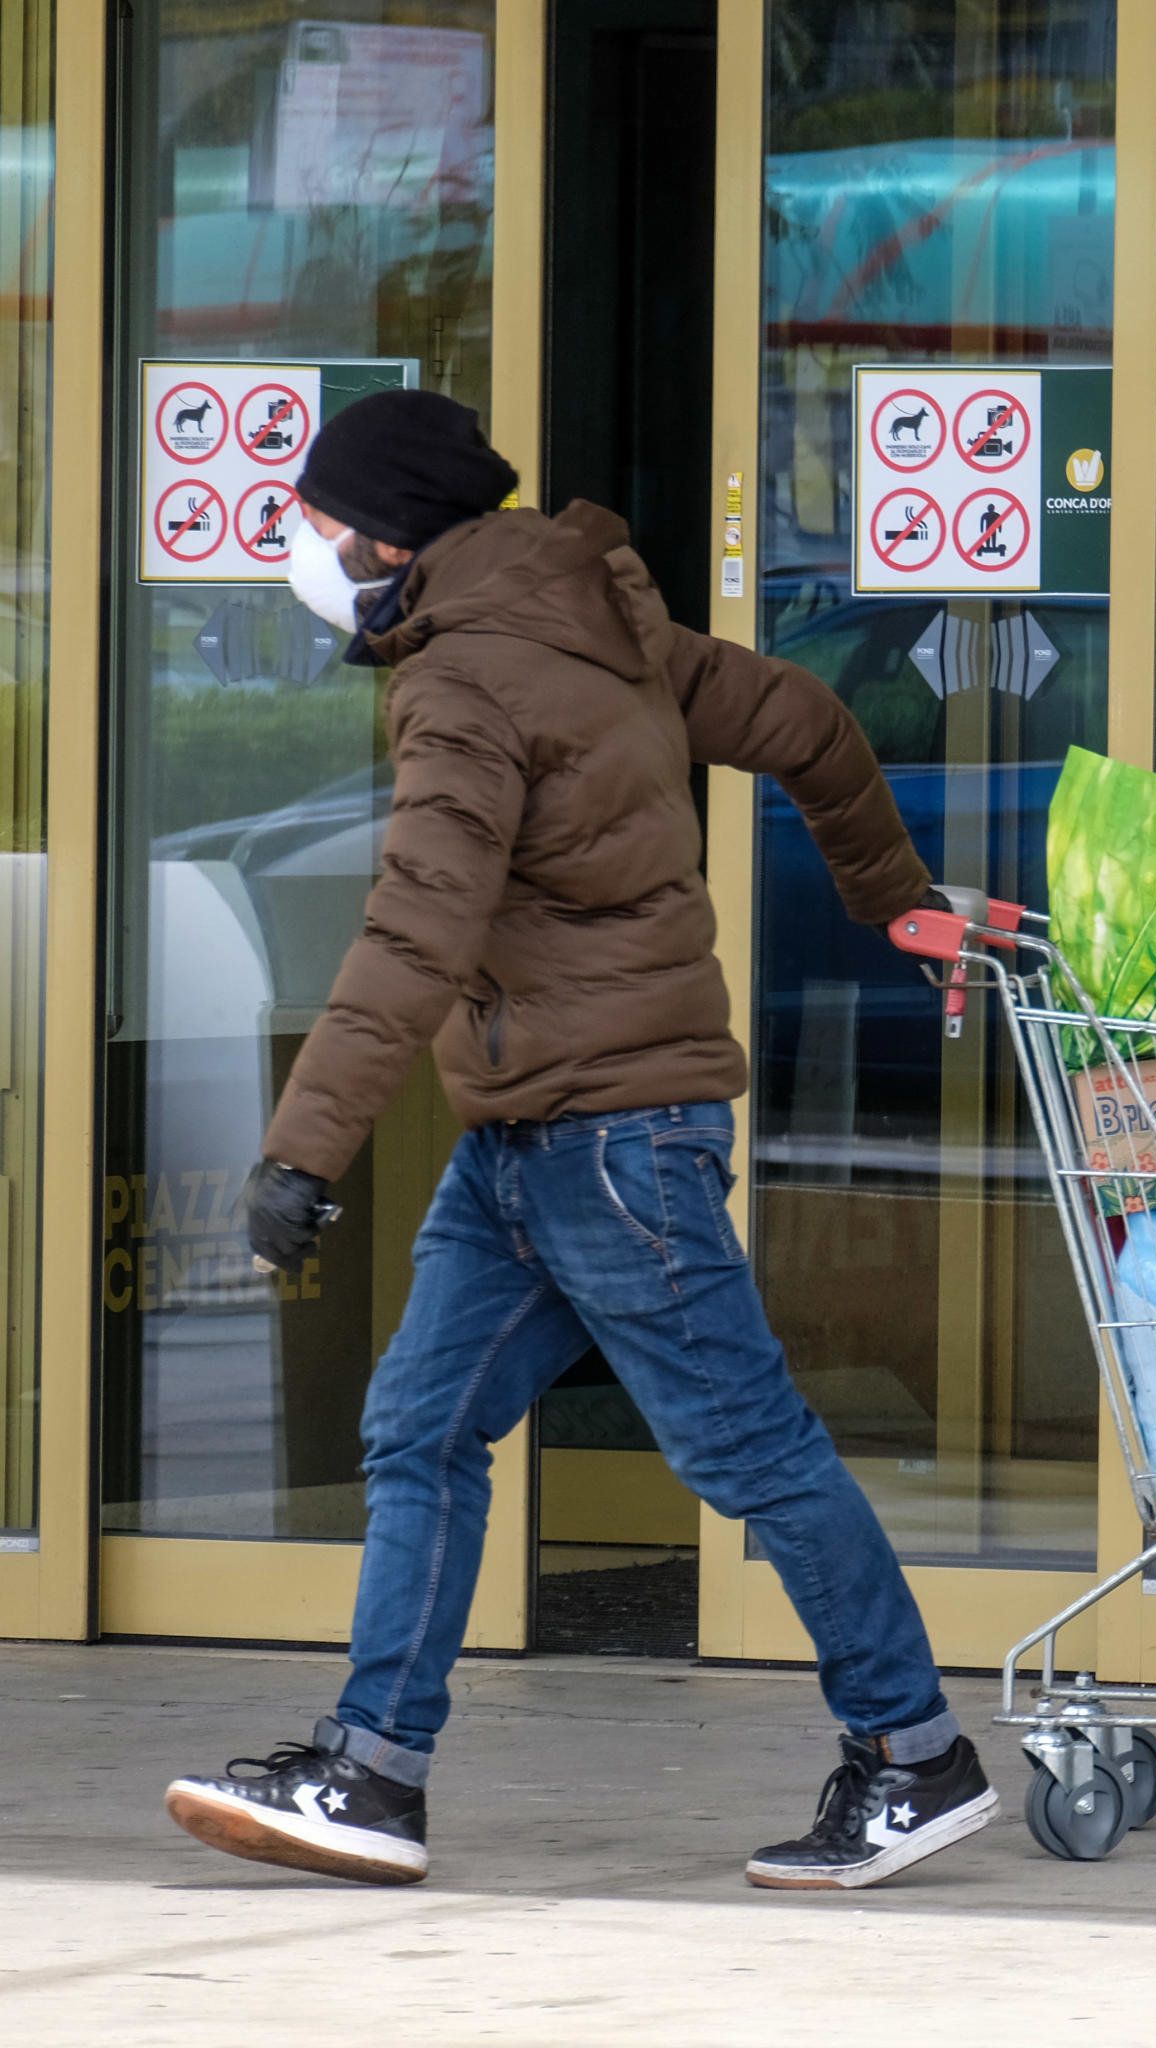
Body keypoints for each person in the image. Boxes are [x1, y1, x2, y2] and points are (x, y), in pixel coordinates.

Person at [162, 390, 993, 1892]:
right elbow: (810, 723)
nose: (298, 546)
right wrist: (888, 898)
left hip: (610, 1137)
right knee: (421, 1429)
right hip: (534, 1135)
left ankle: (915, 1755)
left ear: (386, 541)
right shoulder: (595, 622)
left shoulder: (468, 679)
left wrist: (303, 1149)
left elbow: (419, 925)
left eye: (313, 521)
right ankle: (373, 1775)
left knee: (748, 1449)